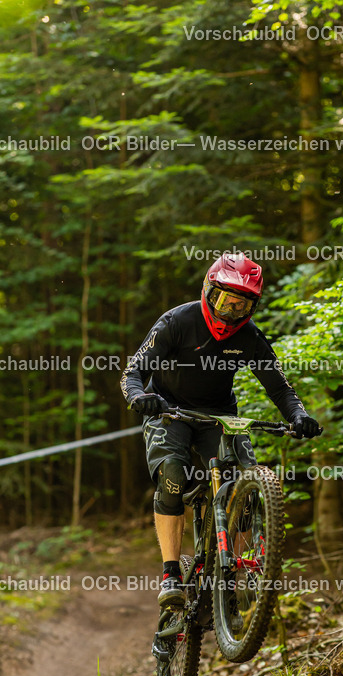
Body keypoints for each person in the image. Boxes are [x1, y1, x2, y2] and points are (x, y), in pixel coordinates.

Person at [120, 252, 321, 607]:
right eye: (225, 302)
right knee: (173, 474)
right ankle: (170, 573)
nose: (230, 313)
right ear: (208, 291)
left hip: (220, 414)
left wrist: (299, 415)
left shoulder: (250, 337)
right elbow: (132, 371)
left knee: (246, 479)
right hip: (168, 409)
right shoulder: (177, 321)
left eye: (240, 307)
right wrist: (139, 396)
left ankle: (233, 570)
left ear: (251, 308)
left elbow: (279, 388)